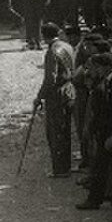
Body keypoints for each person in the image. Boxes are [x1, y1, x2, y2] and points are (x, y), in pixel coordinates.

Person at [37, 22, 77, 177]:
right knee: (65, 129)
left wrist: (39, 97)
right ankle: (66, 166)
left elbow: (50, 79)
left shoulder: (52, 52)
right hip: (69, 89)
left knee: (55, 133)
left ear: (43, 36)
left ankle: (60, 169)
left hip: (57, 94)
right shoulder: (67, 46)